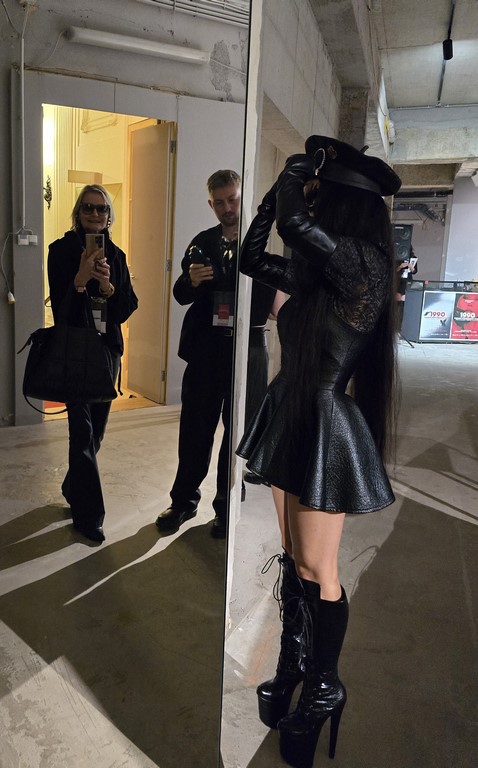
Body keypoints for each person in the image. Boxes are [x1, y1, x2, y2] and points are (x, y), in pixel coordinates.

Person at [237, 136, 401, 768]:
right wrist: (270, 198)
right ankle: (293, 664)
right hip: (293, 415)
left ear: (340, 205)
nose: (308, 204)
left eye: (318, 196)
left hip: (325, 424)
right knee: (294, 559)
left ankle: (325, 685)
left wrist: (294, 171)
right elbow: (253, 257)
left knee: (317, 568)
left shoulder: (364, 265)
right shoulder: (324, 271)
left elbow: (294, 225)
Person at [48, 185, 138, 543]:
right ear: (78, 212)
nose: (95, 214)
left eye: (102, 209)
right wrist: (80, 280)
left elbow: (127, 307)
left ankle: (73, 486)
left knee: (96, 433)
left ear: (109, 216)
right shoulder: (60, 252)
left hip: (106, 352)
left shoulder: (116, 255)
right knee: (82, 433)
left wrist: (109, 287)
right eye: (88, 207)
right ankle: (89, 516)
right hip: (74, 351)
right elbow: (61, 312)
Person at [155, 170, 241, 539]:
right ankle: (183, 503)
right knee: (194, 434)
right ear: (211, 204)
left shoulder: (258, 240)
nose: (227, 207)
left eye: (232, 199)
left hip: (241, 353)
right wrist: (190, 281)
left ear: (241, 197)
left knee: (235, 438)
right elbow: (179, 294)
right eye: (219, 202)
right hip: (204, 353)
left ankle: (225, 509)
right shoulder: (202, 243)